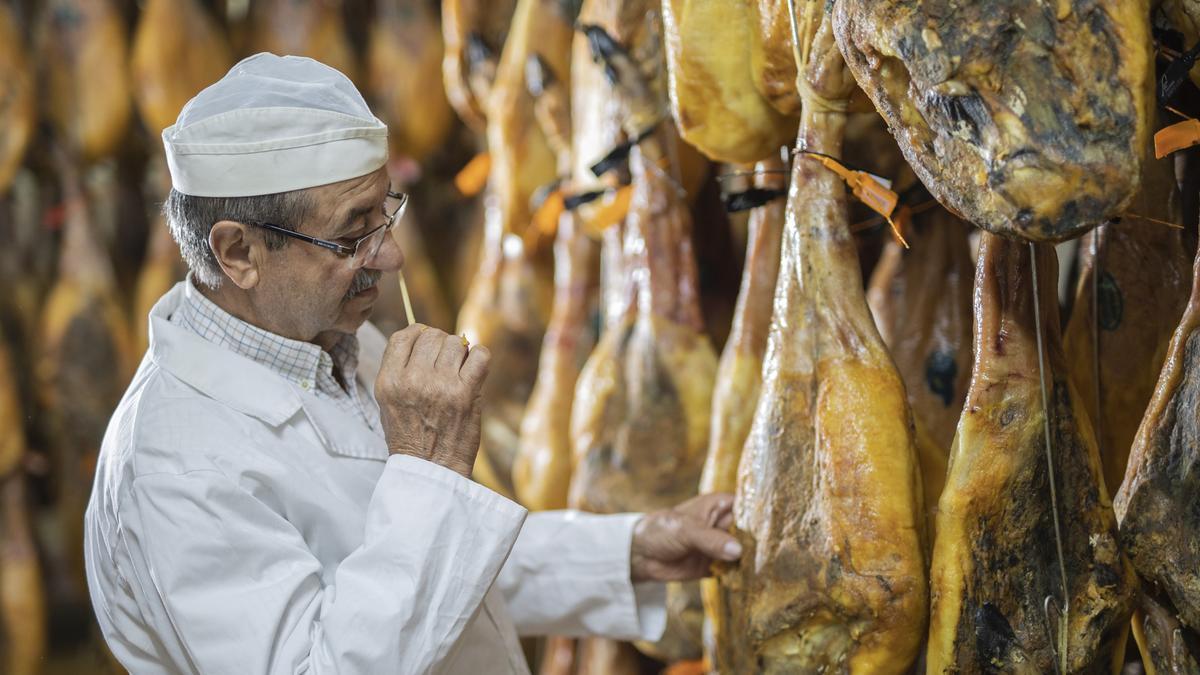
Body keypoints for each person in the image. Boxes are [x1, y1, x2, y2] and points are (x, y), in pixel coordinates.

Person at [83, 53, 742, 674]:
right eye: (352, 235)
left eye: (385, 216)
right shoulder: (176, 468)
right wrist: (429, 468)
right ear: (237, 253)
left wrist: (632, 548)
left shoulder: (333, 342)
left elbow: (441, 568)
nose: (392, 257)